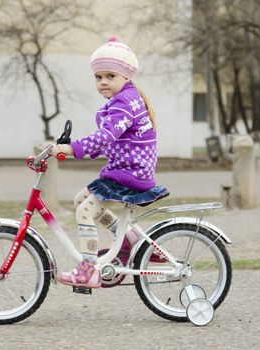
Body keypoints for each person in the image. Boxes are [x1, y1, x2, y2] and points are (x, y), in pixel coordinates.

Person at [51, 36, 168, 288]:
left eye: (110, 76)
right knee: (80, 200)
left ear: (126, 77)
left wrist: (74, 149)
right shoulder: (126, 98)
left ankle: (88, 269)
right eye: (98, 77)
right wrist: (80, 149)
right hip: (126, 170)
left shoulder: (124, 103)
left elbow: (106, 136)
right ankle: (130, 238)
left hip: (129, 174)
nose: (103, 81)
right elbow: (113, 140)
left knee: (85, 211)